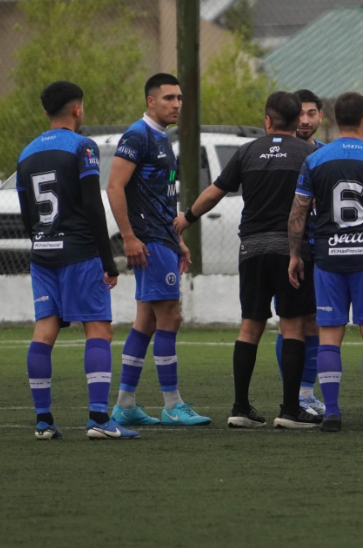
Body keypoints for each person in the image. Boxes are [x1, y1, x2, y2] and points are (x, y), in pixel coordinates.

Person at [175, 91, 321, 429]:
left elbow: (216, 190)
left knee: (250, 326)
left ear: (267, 121)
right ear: (298, 119)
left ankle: (240, 407)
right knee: (293, 325)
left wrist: (187, 217)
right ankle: (289, 410)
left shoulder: (248, 151)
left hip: (251, 249)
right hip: (291, 251)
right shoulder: (308, 153)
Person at [18, 81, 135, 440]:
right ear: (77, 110)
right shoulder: (83, 147)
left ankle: (43, 421)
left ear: (46, 112)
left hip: (42, 254)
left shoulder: (26, 153)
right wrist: (107, 259)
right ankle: (99, 419)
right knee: (98, 328)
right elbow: (92, 205)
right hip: (80, 253)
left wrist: (41, 242)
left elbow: (26, 214)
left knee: (45, 330)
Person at [287, 92, 363, 432]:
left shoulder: (315, 159)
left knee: (329, 335)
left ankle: (331, 413)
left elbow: (298, 212)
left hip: (328, 257)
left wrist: (296, 254)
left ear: (332, 120)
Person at [106, 74, 208, 428]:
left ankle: (125, 405)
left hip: (160, 237)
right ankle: (171, 404)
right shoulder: (138, 135)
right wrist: (130, 237)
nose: (176, 104)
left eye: (179, 98)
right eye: (168, 98)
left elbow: (161, 197)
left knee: (147, 321)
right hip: (147, 240)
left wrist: (176, 238)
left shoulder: (162, 137)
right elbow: (114, 185)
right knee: (170, 316)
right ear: (150, 101)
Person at [271, 87, 327, 415]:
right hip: (287, 249)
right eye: (300, 114)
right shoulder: (281, 154)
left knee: (316, 320)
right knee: (289, 321)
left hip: (322, 248)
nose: (305, 120)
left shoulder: (327, 154)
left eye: (311, 113)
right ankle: (292, 394)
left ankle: (307, 393)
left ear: (321, 116)